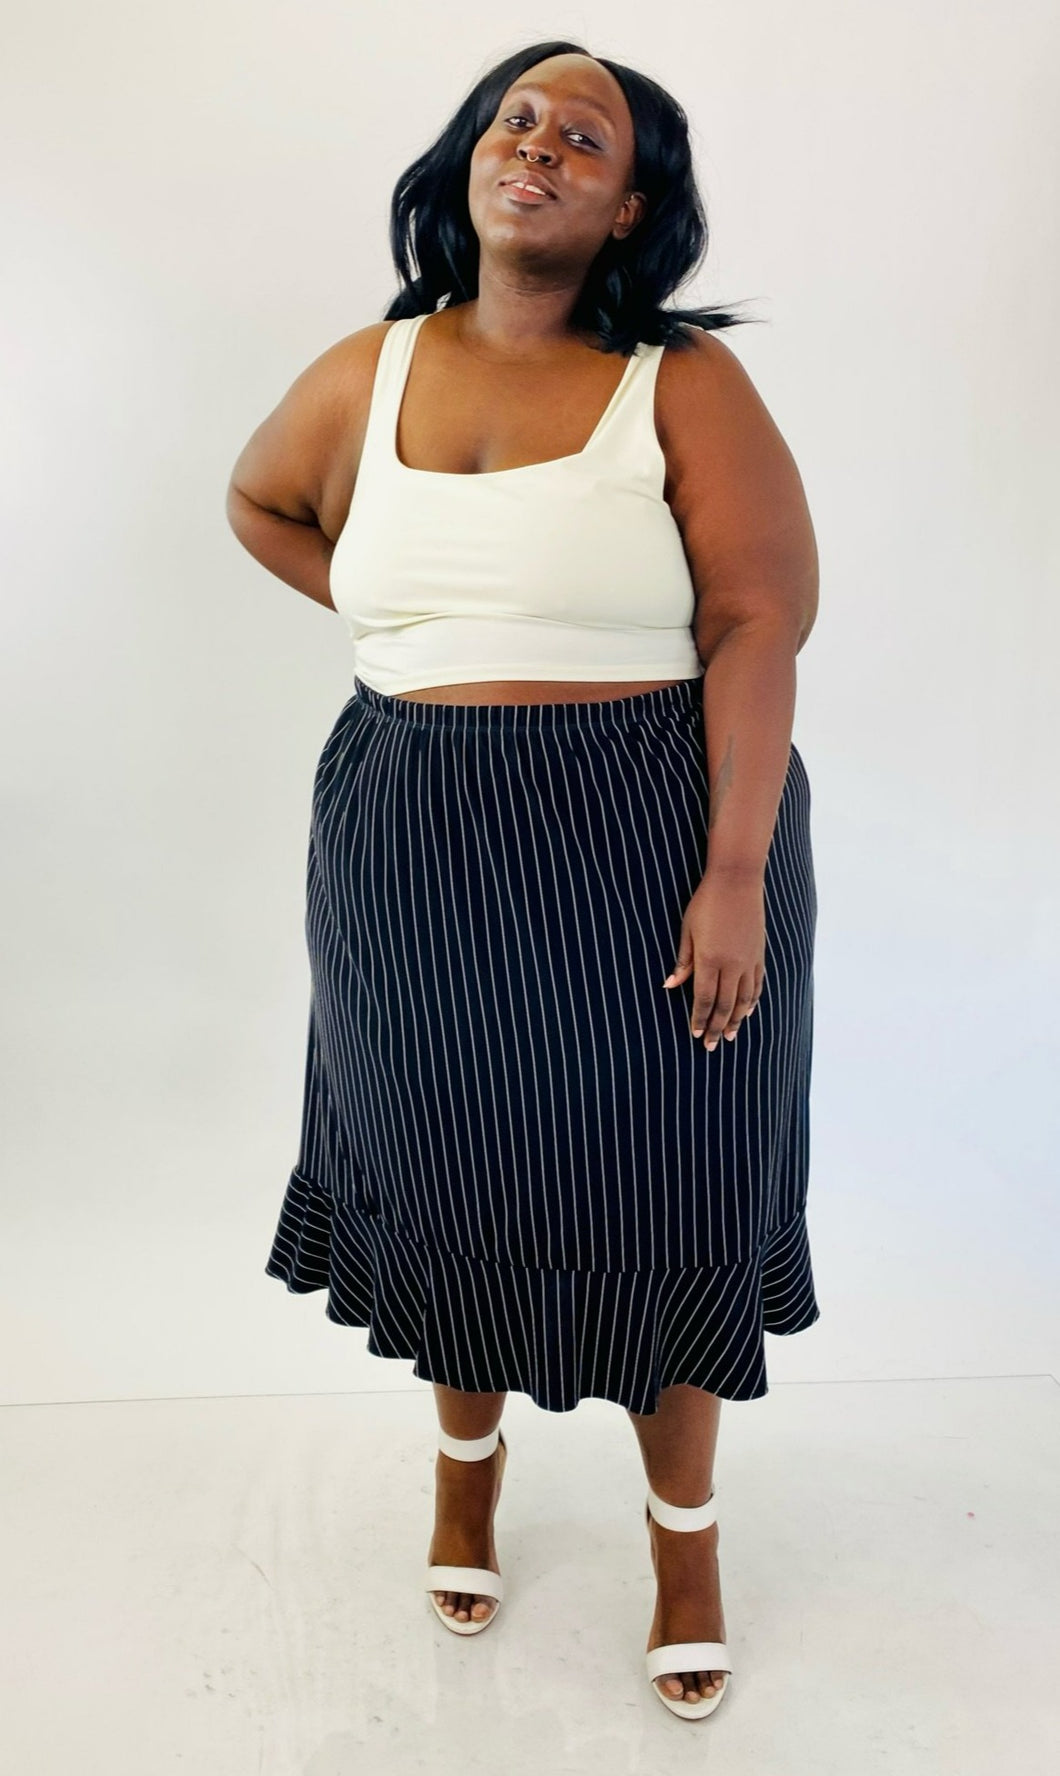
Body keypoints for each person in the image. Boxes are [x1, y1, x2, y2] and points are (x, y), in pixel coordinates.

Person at [226, 39, 820, 1723]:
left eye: (584, 137)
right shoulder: (372, 367)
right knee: (449, 1157)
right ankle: (465, 1478)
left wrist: (733, 871)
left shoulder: (680, 380)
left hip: (650, 824)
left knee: (673, 1184)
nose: (539, 146)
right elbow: (260, 502)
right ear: (469, 162)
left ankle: (685, 1543)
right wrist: (416, 621)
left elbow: (757, 620)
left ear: (630, 202)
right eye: (516, 120)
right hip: (409, 830)